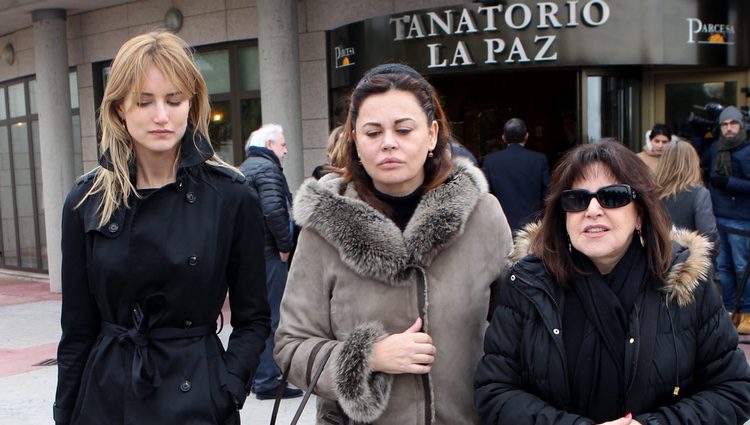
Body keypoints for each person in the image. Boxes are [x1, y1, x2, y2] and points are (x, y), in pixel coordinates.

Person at [274, 63, 513, 425]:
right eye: (373, 132)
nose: (389, 142)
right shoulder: (323, 228)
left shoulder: (482, 215)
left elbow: (517, 330)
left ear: (432, 135)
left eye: (404, 129)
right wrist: (367, 357)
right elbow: (291, 348)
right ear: (354, 138)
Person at [54, 31, 271, 425]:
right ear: (119, 107)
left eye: (174, 100)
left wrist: (227, 387)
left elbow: (254, 318)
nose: (161, 116)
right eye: (144, 101)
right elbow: (77, 331)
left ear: (191, 104)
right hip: (108, 398)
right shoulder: (87, 201)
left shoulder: (231, 196)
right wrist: (65, 413)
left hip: (198, 399)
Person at [475, 141, 750, 424]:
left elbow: (732, 390)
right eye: (577, 199)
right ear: (562, 216)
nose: (593, 209)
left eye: (613, 196)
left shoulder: (686, 284)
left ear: (640, 213)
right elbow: (495, 391)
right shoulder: (528, 284)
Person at [237, 124, 301, 400]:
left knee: (255, 317)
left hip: (251, 255)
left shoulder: (246, 167)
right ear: (270, 144)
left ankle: (256, 377)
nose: (286, 150)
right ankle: (266, 380)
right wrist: (285, 247)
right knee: (272, 318)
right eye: (283, 145)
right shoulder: (268, 169)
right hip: (268, 254)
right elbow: (275, 211)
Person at [703, 105, 750, 333]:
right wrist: (700, 133)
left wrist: (728, 183)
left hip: (741, 220)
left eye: (733, 123)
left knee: (742, 267)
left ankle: (748, 312)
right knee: (724, 266)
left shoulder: (748, 149)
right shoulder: (715, 147)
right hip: (718, 215)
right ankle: (731, 308)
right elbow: (699, 158)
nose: (729, 128)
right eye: (724, 124)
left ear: (741, 125)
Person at [482, 117, 550, 233]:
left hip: (501, 225)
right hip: (531, 227)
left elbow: (485, 195)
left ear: (503, 137)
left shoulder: (490, 161)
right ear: (526, 136)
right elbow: (547, 194)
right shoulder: (539, 160)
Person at [654, 140, 719, 259]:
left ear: (664, 162)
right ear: (693, 163)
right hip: (686, 267)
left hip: (656, 261)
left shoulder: (651, 192)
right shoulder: (699, 194)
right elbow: (708, 237)